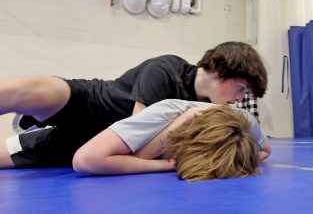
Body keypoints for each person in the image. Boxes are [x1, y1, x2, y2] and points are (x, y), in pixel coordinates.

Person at [0, 41, 268, 169]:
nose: (240, 98)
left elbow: (262, 148)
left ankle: (31, 132)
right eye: (241, 88)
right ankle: (29, 113)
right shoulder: (166, 69)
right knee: (28, 91)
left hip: (87, 144)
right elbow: (139, 136)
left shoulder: (207, 109)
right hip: (91, 106)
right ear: (221, 71)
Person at [73, 99, 271, 181]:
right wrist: (165, 165)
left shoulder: (246, 123)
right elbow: (84, 160)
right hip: (81, 119)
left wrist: (244, 159)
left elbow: (266, 150)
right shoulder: (164, 113)